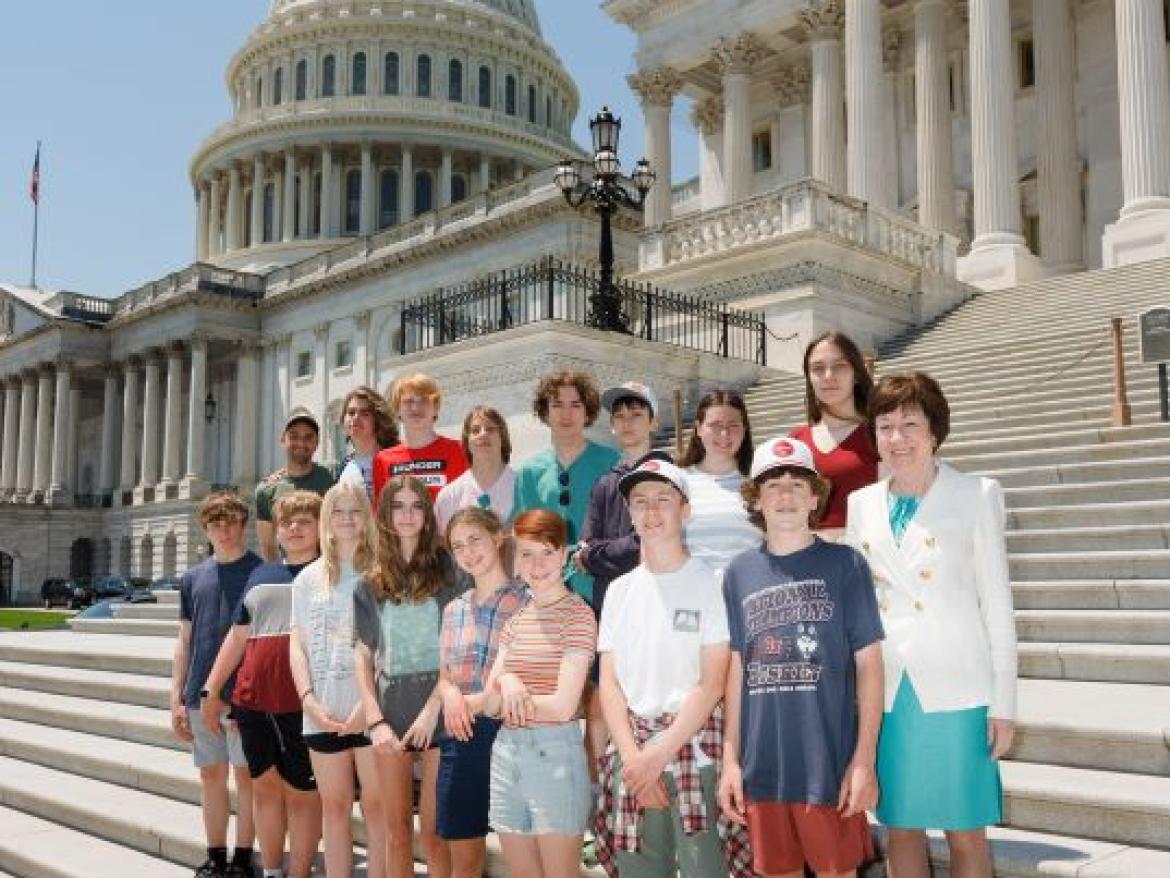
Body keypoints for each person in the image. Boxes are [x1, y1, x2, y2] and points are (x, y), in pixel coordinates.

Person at [846, 373, 1017, 878]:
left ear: (934, 430)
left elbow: (998, 606)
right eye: (885, 426)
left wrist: (1003, 704)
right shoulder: (862, 504)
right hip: (890, 692)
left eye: (909, 424)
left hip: (958, 690)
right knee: (901, 826)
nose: (897, 438)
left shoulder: (976, 493)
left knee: (966, 830)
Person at [720, 437, 884, 878]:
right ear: (756, 499)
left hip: (825, 762)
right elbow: (738, 669)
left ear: (816, 497)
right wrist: (731, 760)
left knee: (837, 871)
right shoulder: (738, 573)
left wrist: (864, 758)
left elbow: (869, 665)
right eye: (772, 485)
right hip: (764, 765)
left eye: (797, 484)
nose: (786, 495)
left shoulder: (846, 565)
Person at [593, 458, 732, 878]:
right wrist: (637, 760)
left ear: (685, 509)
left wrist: (659, 754)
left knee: (704, 869)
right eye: (640, 502)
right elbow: (611, 685)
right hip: (632, 756)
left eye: (663, 500)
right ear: (629, 514)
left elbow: (711, 684)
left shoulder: (711, 582)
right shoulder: (619, 591)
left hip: (693, 754)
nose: (651, 512)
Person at [200, 491, 324, 878]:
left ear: (321, 527)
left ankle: (299, 872)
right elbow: (238, 638)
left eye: (305, 520)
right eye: (288, 522)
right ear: (277, 531)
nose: (295, 528)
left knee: (302, 796)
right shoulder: (261, 574)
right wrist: (211, 688)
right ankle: (271, 870)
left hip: (303, 705)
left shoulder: (329, 573)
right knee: (265, 789)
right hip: (253, 703)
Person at [355, 474, 466, 878]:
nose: (407, 515)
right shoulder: (369, 580)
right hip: (390, 710)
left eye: (416, 505)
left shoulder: (450, 572)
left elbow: (458, 648)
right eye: (398, 506)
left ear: (427, 514)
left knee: (435, 831)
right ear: (385, 514)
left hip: (439, 708)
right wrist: (374, 718)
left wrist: (432, 708)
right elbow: (363, 654)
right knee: (396, 831)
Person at [483, 509, 596, 878]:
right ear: (515, 560)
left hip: (555, 758)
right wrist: (509, 682)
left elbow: (563, 707)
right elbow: (490, 703)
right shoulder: (516, 619)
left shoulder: (578, 615)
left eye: (547, 552)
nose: (537, 563)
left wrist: (510, 689)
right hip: (506, 757)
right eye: (526, 553)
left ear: (564, 555)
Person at [288, 482, 386, 878]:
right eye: (338, 511)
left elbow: (388, 644)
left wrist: (369, 707)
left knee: (378, 808)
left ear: (367, 518)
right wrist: (308, 699)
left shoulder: (381, 574)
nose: (347, 519)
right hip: (322, 710)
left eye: (355, 510)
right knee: (334, 807)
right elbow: (297, 644)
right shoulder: (307, 579)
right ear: (326, 520)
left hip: (371, 710)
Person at [576, 381, 669, 796]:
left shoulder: (667, 474)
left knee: (650, 698)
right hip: (610, 606)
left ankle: (653, 786)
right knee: (601, 698)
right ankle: (599, 794)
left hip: (655, 605)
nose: (628, 423)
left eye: (637, 414)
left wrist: (599, 554)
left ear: (653, 420)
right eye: (620, 416)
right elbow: (586, 547)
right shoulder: (604, 482)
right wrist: (602, 554)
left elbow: (647, 542)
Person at [171, 492, 263, 878]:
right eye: (215, 524)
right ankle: (215, 855)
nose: (223, 531)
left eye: (230, 523)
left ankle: (243, 858)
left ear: (243, 525)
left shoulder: (261, 572)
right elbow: (184, 639)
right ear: (206, 530)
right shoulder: (193, 578)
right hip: (198, 693)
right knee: (211, 776)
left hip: (245, 696)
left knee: (246, 778)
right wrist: (176, 697)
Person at [435, 507, 529, 878]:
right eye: (459, 546)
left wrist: (472, 700)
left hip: (510, 732)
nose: (469, 552)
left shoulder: (525, 600)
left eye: (475, 539)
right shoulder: (454, 609)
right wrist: (451, 695)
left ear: (497, 536)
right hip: (461, 734)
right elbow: (444, 675)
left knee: (521, 852)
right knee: (465, 854)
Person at [513, 370, 620, 603]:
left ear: (587, 412)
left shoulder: (612, 462)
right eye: (557, 405)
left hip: (602, 588)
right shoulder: (529, 472)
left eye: (575, 405)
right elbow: (525, 537)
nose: (566, 414)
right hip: (548, 590)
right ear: (545, 412)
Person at [789, 332, 878, 535]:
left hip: (861, 557)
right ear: (809, 378)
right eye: (818, 368)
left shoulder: (878, 435)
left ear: (856, 374)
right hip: (807, 558)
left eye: (839, 366)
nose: (828, 376)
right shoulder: (795, 441)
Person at [676, 387, 758, 575]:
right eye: (715, 425)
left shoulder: (759, 482)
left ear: (744, 430)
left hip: (746, 594)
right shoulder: (677, 481)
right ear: (698, 428)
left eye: (733, 425)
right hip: (689, 595)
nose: (724, 434)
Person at [373, 373, 468, 504]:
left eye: (424, 400)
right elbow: (381, 515)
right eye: (408, 401)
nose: (416, 408)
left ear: (435, 408)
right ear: (398, 409)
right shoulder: (382, 460)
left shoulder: (460, 451)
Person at [256, 411, 336, 561]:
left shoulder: (333, 478)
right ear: (282, 440)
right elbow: (268, 545)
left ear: (317, 443)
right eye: (294, 436)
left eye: (308, 437)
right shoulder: (267, 489)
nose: (301, 443)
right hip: (290, 570)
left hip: (328, 569)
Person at [434, 405, 516, 531]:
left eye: (490, 429)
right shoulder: (449, 496)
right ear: (467, 442)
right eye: (475, 430)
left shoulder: (524, 487)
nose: (483, 434)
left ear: (503, 438)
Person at [337, 386, 399, 500]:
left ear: (378, 420)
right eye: (351, 412)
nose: (355, 418)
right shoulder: (344, 465)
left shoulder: (395, 461)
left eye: (365, 413)